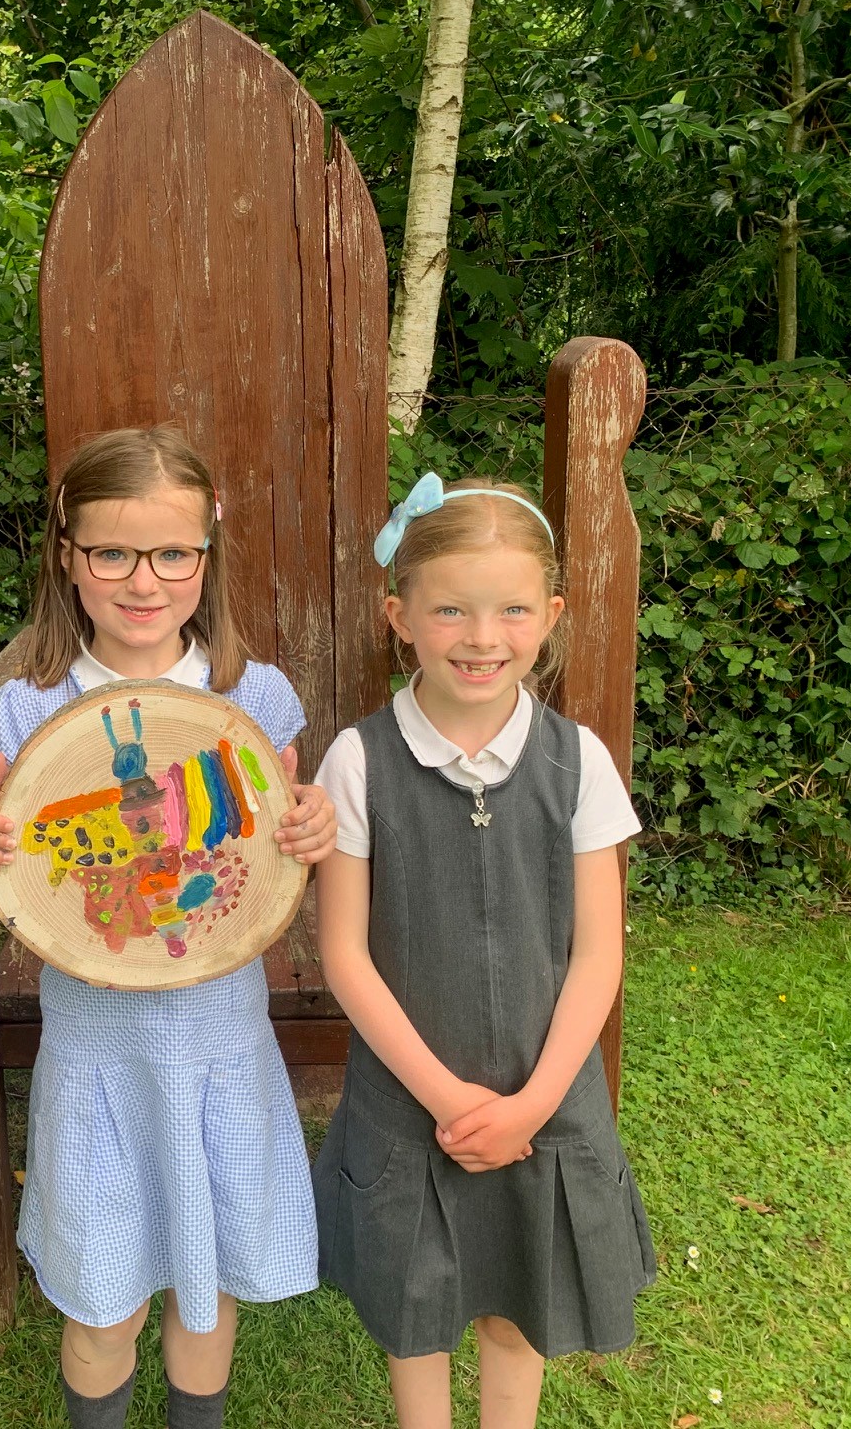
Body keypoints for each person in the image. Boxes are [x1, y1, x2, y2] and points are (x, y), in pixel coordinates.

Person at [0, 428, 337, 1429]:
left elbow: (276, 849)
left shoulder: (252, 698)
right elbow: (8, 865)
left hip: (219, 1045)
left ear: (206, 558)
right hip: (97, 1059)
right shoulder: (29, 708)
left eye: (172, 554)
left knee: (204, 1294)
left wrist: (315, 827)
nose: (142, 581)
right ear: (67, 559)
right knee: (104, 1296)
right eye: (112, 553)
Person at [309, 472, 655, 1429]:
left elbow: (597, 957)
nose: (481, 637)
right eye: (451, 610)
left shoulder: (578, 760)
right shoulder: (358, 761)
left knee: (518, 1310)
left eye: (510, 610)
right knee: (416, 1313)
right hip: (412, 1098)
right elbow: (344, 954)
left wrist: (533, 1106)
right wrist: (452, 1100)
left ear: (549, 614)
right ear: (399, 615)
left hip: (546, 1097)